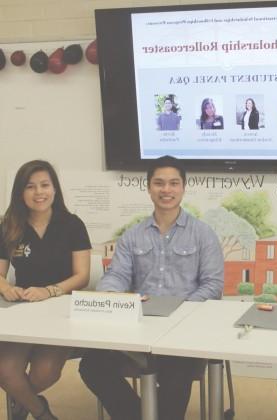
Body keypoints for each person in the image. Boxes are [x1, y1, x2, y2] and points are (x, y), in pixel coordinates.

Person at [78, 155, 224, 420]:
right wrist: (111, 297)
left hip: (182, 331)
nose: (166, 190)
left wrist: (181, 310)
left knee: (175, 375)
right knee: (92, 365)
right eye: (159, 183)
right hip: (137, 327)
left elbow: (212, 285)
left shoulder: (203, 234)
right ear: (148, 188)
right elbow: (116, 275)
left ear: (183, 187)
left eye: (173, 183)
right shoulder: (132, 236)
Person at [0, 160, 91, 420]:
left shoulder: (72, 224)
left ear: (55, 189)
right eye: (30, 186)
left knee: (46, 372)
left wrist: (49, 291)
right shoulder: (9, 226)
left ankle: (22, 402)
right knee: (6, 370)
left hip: (61, 311)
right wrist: (6, 287)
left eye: (44, 185)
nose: (39, 192)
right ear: (20, 192)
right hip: (23, 309)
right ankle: (41, 412)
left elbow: (82, 276)